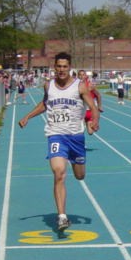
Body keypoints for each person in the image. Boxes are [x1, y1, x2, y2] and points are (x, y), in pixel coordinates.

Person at [18, 52, 100, 237]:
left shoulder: (79, 86)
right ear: (54, 67)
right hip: (55, 135)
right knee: (59, 173)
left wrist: (94, 120)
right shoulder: (49, 85)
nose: (61, 70)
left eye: (65, 66)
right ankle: (62, 216)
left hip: (76, 137)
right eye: (59, 66)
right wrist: (28, 116)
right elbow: (45, 104)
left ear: (69, 67)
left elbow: (93, 107)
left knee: (79, 176)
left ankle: (76, 163)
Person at [77, 70, 102, 135]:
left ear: (85, 76)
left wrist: (99, 106)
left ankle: (87, 123)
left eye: (83, 75)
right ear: (78, 76)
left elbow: (98, 95)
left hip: (90, 111)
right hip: (80, 111)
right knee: (80, 131)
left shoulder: (90, 85)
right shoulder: (75, 86)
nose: (81, 76)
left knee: (90, 132)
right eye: (80, 75)